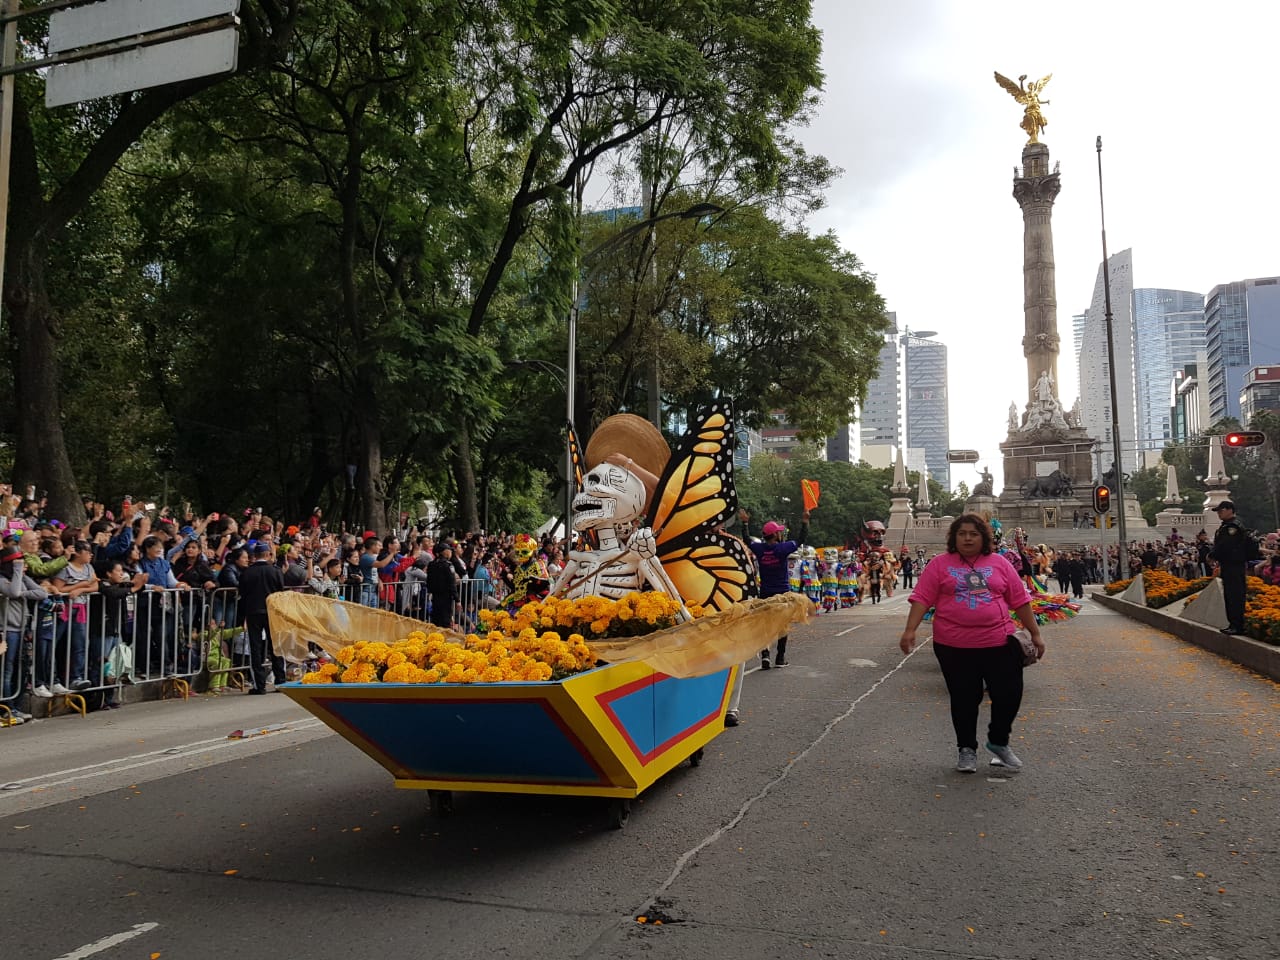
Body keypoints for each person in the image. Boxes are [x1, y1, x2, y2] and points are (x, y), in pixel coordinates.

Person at [899, 513, 1045, 774]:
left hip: (999, 642)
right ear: (954, 537)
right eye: (962, 533)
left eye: (973, 534)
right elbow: (922, 597)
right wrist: (909, 630)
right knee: (964, 698)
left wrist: (1035, 633)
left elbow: (1020, 600)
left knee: (1009, 694)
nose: (967, 538)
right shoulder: (940, 565)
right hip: (953, 645)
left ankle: (999, 741)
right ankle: (966, 749)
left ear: (984, 537)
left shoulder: (1000, 563)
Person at [740, 508, 809, 669]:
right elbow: (800, 539)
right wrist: (805, 522)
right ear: (776, 535)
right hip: (783, 593)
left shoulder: (759, 549)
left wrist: (745, 523)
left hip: (765, 592)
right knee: (783, 625)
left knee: (765, 625)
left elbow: (746, 540)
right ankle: (780, 657)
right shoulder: (782, 549)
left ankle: (765, 656)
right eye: (778, 532)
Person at [237, 544, 286, 693]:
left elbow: (242, 596)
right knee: (275, 647)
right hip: (271, 612)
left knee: (256, 648)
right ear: (267, 555)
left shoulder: (247, 573)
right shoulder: (275, 571)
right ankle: (280, 681)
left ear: (255, 556)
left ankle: (259, 684)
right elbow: (280, 592)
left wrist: (241, 617)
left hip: (253, 612)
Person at [1210, 500, 1254, 635]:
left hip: (1234, 565)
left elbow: (1225, 546)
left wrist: (1212, 555)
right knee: (1230, 595)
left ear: (1230, 510)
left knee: (1235, 595)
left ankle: (1237, 625)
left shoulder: (1232, 527)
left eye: (1221, 510)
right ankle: (1233, 623)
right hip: (1229, 565)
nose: (1218, 513)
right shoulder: (1227, 526)